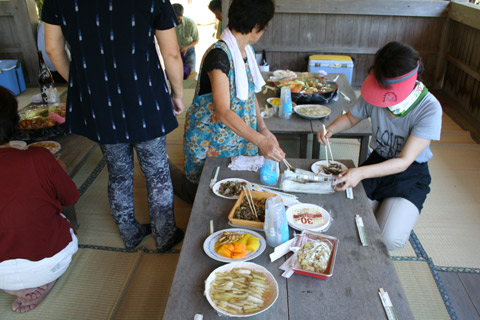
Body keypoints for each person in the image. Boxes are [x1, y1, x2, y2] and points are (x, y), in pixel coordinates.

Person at [43, 0, 186, 252]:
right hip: (146, 96)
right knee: (157, 173)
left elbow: (53, 50)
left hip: (101, 102)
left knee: (118, 174)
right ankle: (165, 236)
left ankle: (129, 234)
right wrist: (177, 93)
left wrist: (81, 84)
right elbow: (171, 53)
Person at [317, 41, 442, 251]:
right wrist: (331, 129)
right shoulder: (376, 93)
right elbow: (351, 118)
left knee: (388, 237)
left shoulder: (429, 108)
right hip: (378, 161)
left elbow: (403, 162)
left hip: (409, 172)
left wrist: (360, 173)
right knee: (351, 215)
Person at [183, 0, 285, 185]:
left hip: (238, 140)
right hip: (211, 143)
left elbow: (249, 93)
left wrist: (263, 129)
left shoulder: (246, 51)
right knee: (208, 193)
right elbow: (222, 111)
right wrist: (261, 142)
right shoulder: (219, 56)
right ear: (256, 26)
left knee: (237, 190)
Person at [0, 86, 79, 313]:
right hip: (51, 262)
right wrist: (57, 170)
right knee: (58, 218)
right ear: (15, 122)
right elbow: (70, 197)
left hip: (1, 277)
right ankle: (43, 282)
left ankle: (13, 289)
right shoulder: (39, 157)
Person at [172, 3, 199, 74]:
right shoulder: (169, 24)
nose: (177, 21)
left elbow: (196, 40)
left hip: (189, 52)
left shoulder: (190, 23)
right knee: (175, 74)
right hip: (175, 52)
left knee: (190, 73)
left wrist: (187, 47)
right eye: (175, 19)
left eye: (178, 19)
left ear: (182, 16)